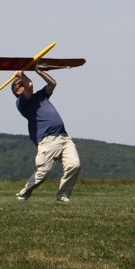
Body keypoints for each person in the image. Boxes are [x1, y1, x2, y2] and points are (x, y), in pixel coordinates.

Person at [12, 67, 81, 203]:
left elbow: (52, 83)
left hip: (63, 137)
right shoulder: (22, 102)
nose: (23, 84)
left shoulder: (40, 95)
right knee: (43, 172)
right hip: (48, 140)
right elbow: (29, 84)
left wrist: (38, 71)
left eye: (22, 83)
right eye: (20, 85)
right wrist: (21, 74)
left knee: (74, 165)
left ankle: (63, 195)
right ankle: (23, 194)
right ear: (18, 91)